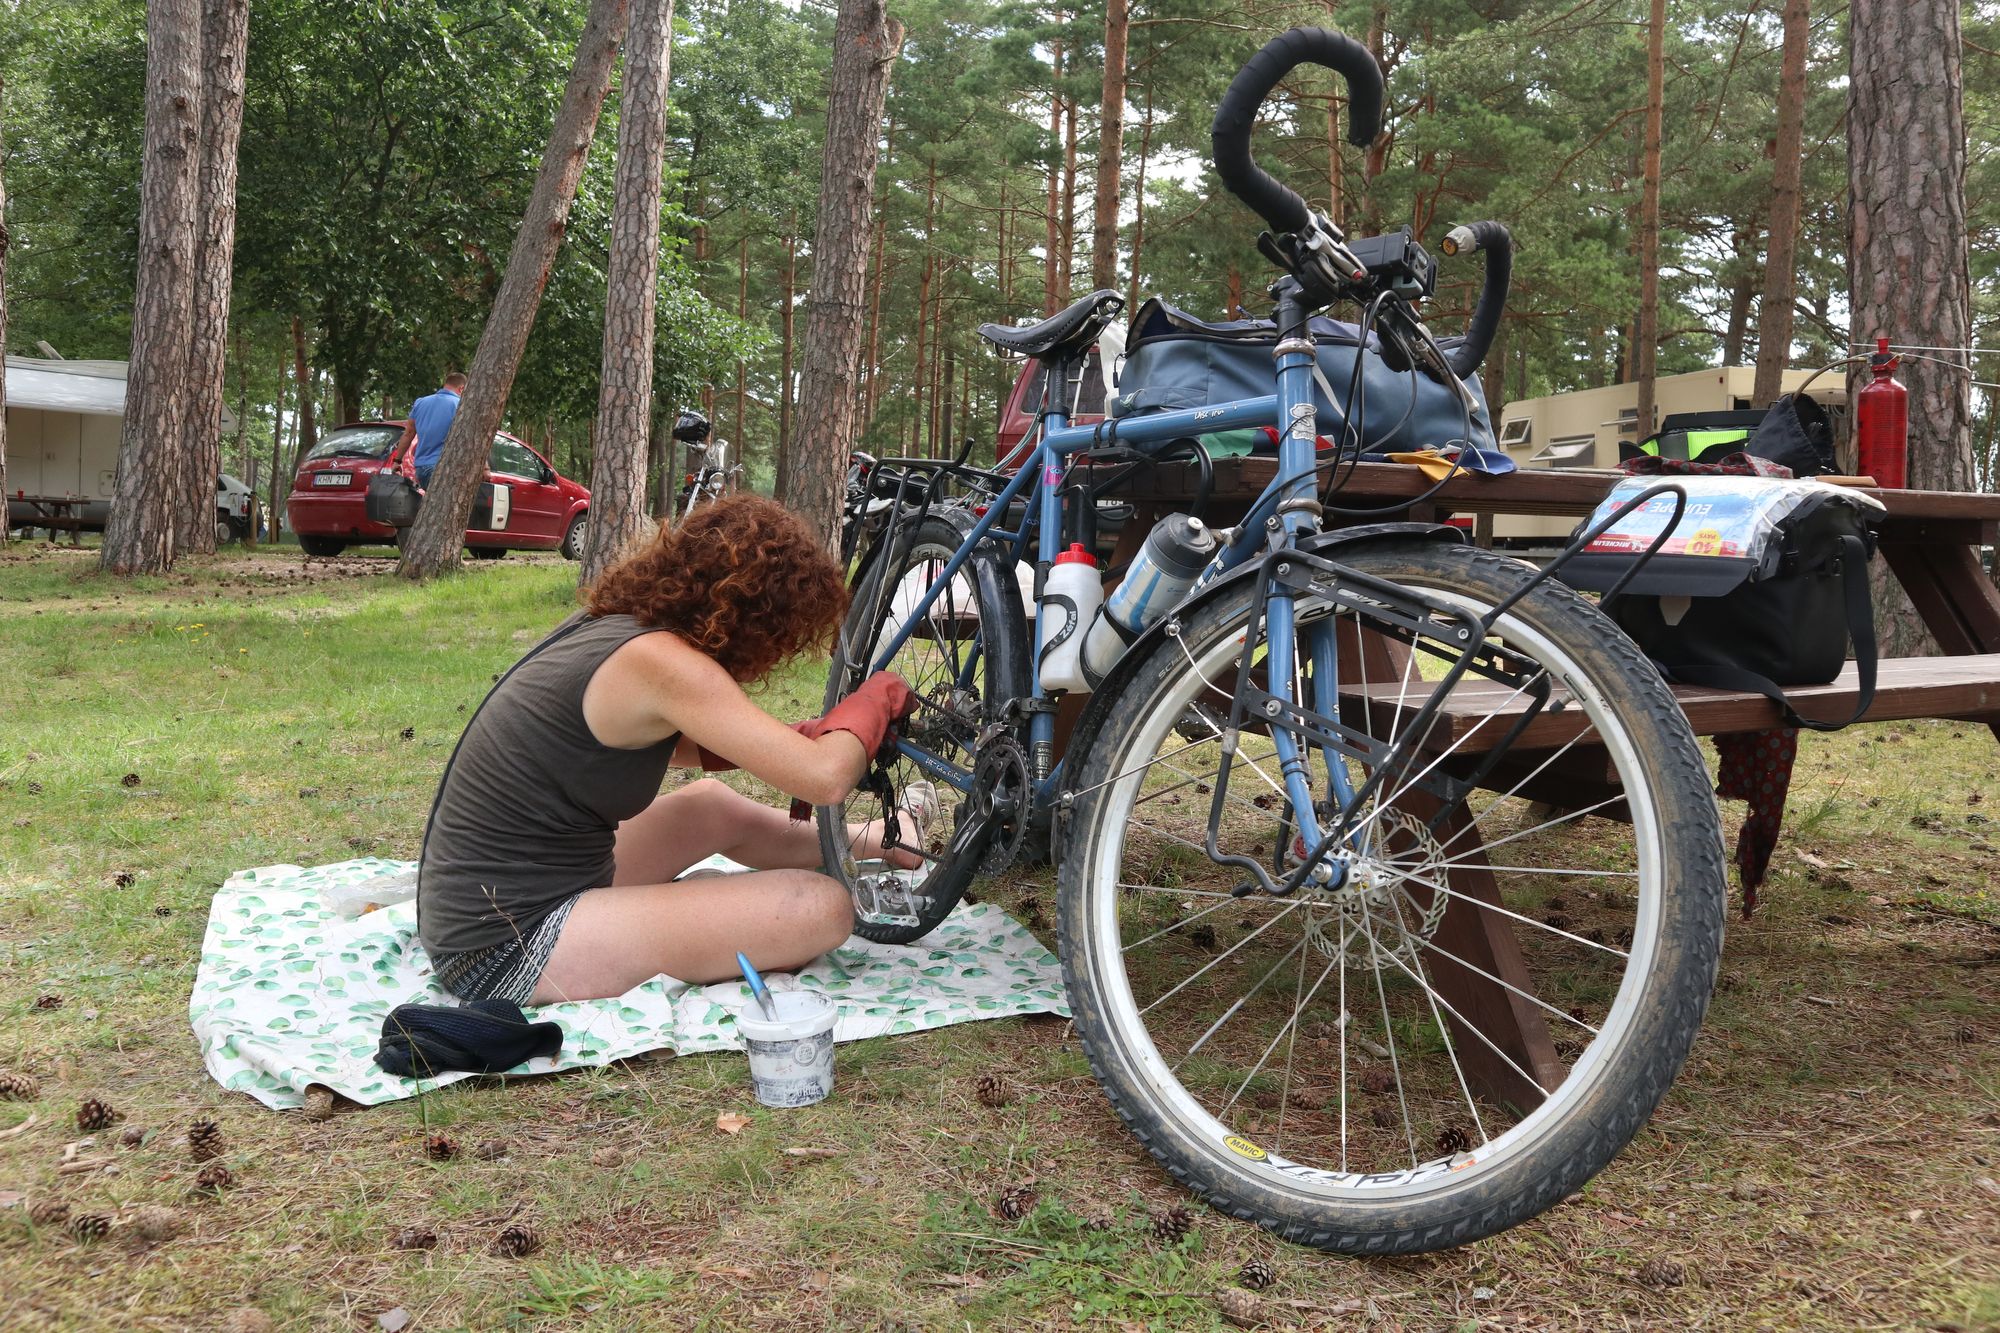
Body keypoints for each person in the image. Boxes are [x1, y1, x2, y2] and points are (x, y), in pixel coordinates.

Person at [416, 494, 923, 1006]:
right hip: (502, 948)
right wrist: (875, 700)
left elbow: (663, 745)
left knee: (709, 806)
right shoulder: (664, 664)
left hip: (481, 903)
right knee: (821, 908)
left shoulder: (616, 628)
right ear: (760, 621)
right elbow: (825, 779)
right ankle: (701, 915)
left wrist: (785, 740)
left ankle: (878, 840)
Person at [408, 372, 467, 490]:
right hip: (443, 467)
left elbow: (408, 433)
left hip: (421, 468)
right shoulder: (460, 405)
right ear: (462, 388)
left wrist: (397, 460)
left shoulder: (420, 402)